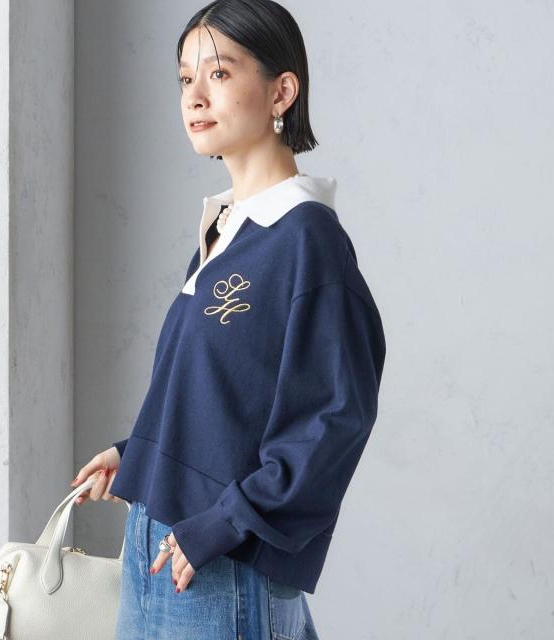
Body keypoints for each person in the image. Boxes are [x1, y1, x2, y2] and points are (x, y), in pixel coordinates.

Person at [71, 1, 386, 638]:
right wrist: (140, 455)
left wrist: (225, 523)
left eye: (218, 73)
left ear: (281, 92)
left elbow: (333, 419)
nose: (195, 96)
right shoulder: (223, 233)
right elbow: (224, 395)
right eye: (185, 78)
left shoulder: (306, 240)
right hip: (157, 548)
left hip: (219, 565)